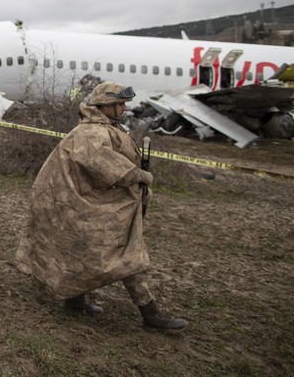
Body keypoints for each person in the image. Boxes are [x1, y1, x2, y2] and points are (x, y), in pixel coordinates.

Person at [15, 81, 187, 331]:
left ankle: (75, 300)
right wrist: (140, 176)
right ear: (105, 106)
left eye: (123, 104)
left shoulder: (104, 127)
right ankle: (150, 314)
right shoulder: (92, 133)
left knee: (88, 252)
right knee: (127, 255)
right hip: (84, 207)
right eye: (119, 104)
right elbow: (106, 167)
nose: (124, 108)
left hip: (92, 202)